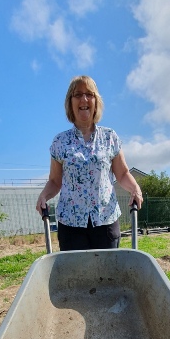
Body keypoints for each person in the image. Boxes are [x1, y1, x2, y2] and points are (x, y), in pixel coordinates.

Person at [36, 75, 143, 251]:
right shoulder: (60, 142)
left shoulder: (110, 137)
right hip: (71, 225)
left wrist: (135, 188)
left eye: (89, 94)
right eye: (78, 94)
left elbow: (122, 173)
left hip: (105, 220)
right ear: (70, 102)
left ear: (96, 101)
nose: (84, 99)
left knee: (108, 275)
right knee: (76, 276)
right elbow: (55, 181)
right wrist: (44, 196)